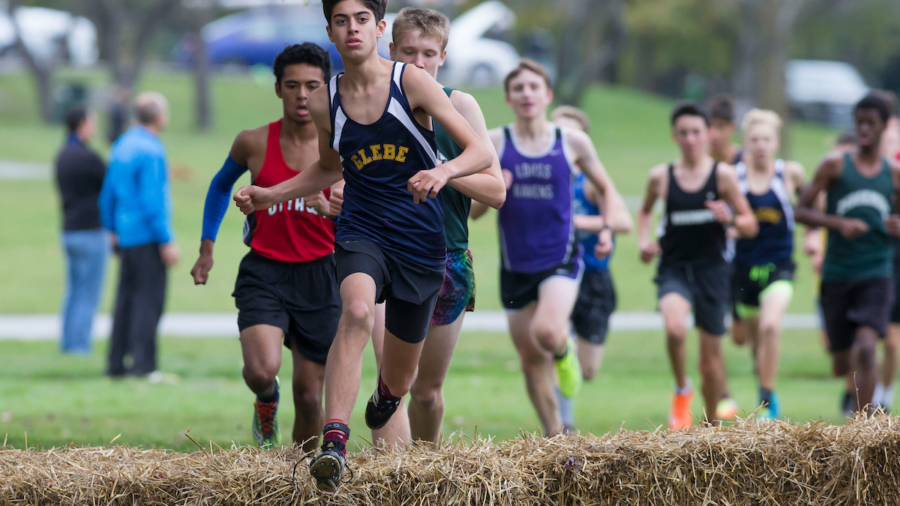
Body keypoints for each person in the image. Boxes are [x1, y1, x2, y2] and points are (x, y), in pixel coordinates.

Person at [232, 0, 493, 493]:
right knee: (354, 312)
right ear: (329, 31)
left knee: (402, 380)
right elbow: (330, 167)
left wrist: (442, 171)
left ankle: (386, 397)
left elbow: (481, 153)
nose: (351, 29)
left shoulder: (411, 82)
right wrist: (271, 194)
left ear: (379, 28)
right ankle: (334, 444)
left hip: (419, 241)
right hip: (362, 230)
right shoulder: (329, 96)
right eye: (340, 21)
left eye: (360, 20)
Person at [190, 44, 340, 450]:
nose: (303, 95)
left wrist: (332, 210)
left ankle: (300, 480)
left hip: (323, 276)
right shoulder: (253, 142)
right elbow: (221, 185)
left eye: (312, 85)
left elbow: (368, 213)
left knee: (310, 397)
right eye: (292, 85)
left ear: (327, 89)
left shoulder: (345, 148)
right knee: (262, 369)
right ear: (277, 89)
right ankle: (265, 400)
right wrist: (207, 248)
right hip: (266, 271)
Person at [366, 6, 506, 447]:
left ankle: (430, 470)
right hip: (385, 257)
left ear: (443, 56)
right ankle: (393, 483)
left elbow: (496, 191)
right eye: (409, 53)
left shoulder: (461, 106)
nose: (419, 63)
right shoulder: (370, 103)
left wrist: (444, 171)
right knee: (391, 385)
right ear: (390, 50)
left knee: (425, 392)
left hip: (447, 260)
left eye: (429, 53)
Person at [471, 60, 625, 436]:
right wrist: (496, 189)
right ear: (508, 97)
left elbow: (605, 188)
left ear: (547, 95)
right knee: (529, 363)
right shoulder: (494, 142)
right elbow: (474, 213)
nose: (526, 94)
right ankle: (556, 437)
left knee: (549, 333)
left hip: (560, 258)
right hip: (515, 265)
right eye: (519, 88)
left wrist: (606, 228)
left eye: (534, 87)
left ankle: (563, 350)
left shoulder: (571, 142)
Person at [638, 102, 757, 429]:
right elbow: (645, 210)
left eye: (696, 132)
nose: (690, 139)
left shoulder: (724, 176)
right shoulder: (661, 176)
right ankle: (681, 390)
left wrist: (730, 216)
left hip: (713, 272)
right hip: (675, 268)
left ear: (708, 134)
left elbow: (750, 223)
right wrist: (644, 240)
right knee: (675, 327)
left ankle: (711, 428)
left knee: (710, 363)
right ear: (674, 136)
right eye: (683, 133)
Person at [795, 92, 900, 414]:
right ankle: (856, 401)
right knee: (841, 361)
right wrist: (837, 223)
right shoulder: (835, 166)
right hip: (838, 272)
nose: (864, 129)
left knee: (867, 347)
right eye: (859, 122)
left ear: (884, 127)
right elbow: (800, 211)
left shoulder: (892, 175)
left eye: (872, 123)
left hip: (876, 272)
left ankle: (862, 426)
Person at [729, 109, 818, 420]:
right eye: (754, 139)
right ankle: (765, 386)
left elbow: (812, 204)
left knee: (770, 326)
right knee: (755, 348)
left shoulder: (788, 173)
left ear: (776, 142)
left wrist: (814, 236)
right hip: (742, 270)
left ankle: (767, 403)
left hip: (779, 265)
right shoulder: (733, 176)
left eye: (766, 139)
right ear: (745, 143)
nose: (761, 145)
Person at [549, 105, 633, 432]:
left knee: (586, 370)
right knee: (553, 341)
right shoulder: (541, 176)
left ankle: (565, 348)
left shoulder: (591, 183)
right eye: (558, 132)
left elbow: (623, 221)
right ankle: (562, 425)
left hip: (594, 278)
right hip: (554, 272)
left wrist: (575, 223)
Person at [99, 92, 180, 379]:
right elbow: (153, 200)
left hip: (124, 234)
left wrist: (110, 228)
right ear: (158, 116)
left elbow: (107, 192)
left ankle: (116, 364)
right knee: (149, 301)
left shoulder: (121, 144)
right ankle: (145, 365)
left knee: (125, 302)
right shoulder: (152, 150)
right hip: (147, 234)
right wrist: (166, 239)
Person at [54, 107, 108, 355]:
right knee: (88, 293)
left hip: (69, 230)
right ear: (83, 124)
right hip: (90, 231)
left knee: (73, 291)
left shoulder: (62, 155)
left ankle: (67, 343)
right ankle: (78, 348)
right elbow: (110, 184)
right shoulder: (88, 158)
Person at [706, 94, 743, 165]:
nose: (714, 134)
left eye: (721, 126)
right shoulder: (700, 160)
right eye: (710, 125)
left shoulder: (744, 160)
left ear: (732, 127)